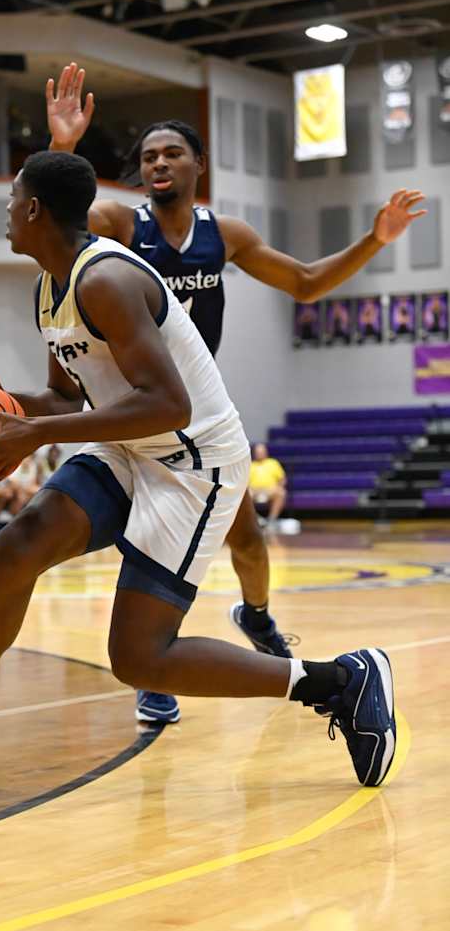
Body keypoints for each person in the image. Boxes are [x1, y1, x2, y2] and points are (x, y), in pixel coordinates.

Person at [0, 151, 396, 806]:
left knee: (140, 658)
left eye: (11, 199)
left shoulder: (107, 280)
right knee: (19, 545)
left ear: (33, 209)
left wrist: (36, 434)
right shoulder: (50, 287)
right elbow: (67, 398)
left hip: (193, 460)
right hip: (128, 445)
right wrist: (2, 406)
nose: (5, 211)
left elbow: (169, 404)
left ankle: (340, 682)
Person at [44, 62, 425, 724]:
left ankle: (256, 614)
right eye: (148, 156)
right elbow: (60, 219)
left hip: (197, 416)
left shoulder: (224, 235)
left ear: (198, 164)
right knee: (150, 541)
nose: (158, 163)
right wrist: (63, 146)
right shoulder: (122, 224)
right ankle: (152, 666)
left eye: (172, 153)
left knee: (247, 540)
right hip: (133, 416)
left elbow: (305, 283)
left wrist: (375, 239)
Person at [249, 443, 287, 526]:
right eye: (258, 452)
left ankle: (272, 519)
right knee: (246, 495)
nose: (259, 454)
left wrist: (278, 487)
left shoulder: (273, 463)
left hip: (270, 490)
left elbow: (282, 479)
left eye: (261, 452)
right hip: (254, 491)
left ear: (266, 452)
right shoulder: (250, 465)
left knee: (281, 493)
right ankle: (255, 519)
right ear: (254, 453)